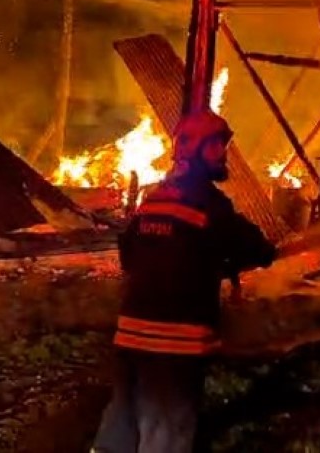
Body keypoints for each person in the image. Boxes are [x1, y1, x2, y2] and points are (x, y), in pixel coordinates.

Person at [92, 109, 277, 452]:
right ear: (199, 150)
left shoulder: (153, 200)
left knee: (121, 426)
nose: (223, 155)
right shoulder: (209, 204)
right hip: (175, 343)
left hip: (130, 336)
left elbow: (129, 256)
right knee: (166, 432)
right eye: (218, 146)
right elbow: (254, 247)